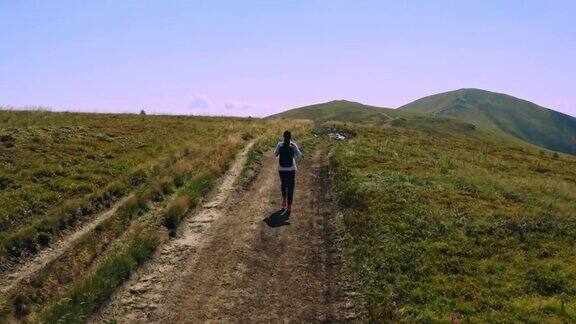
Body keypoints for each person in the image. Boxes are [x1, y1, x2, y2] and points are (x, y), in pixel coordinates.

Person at [274, 130, 302, 212]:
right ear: (290, 137)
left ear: (283, 136)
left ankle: (284, 200)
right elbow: (299, 155)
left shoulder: (280, 144)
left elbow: (275, 154)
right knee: (291, 187)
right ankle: (289, 206)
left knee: (283, 184)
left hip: (281, 169)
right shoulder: (293, 145)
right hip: (291, 169)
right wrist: (295, 159)